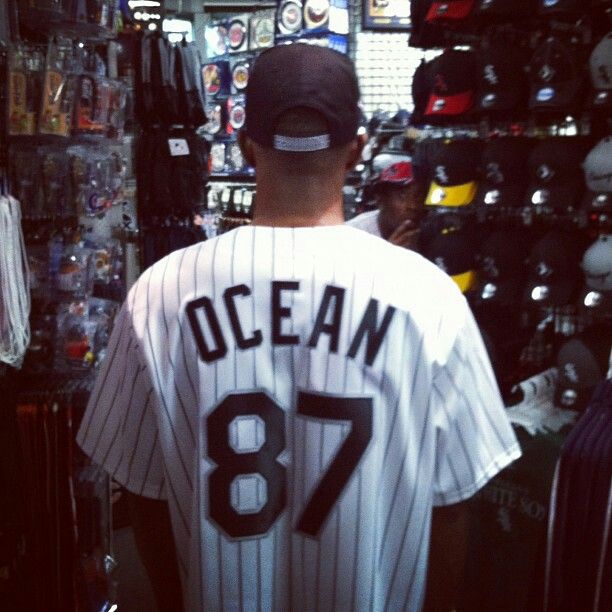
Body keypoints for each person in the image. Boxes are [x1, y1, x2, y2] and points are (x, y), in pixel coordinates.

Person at [76, 43, 521, 611]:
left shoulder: (159, 295)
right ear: (358, 149)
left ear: (244, 144)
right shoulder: (428, 297)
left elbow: (144, 494)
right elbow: (453, 503)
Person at [347, 160, 428, 251]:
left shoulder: (428, 233)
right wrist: (388, 254)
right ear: (380, 199)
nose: (412, 206)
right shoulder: (354, 234)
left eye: (419, 196)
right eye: (402, 195)